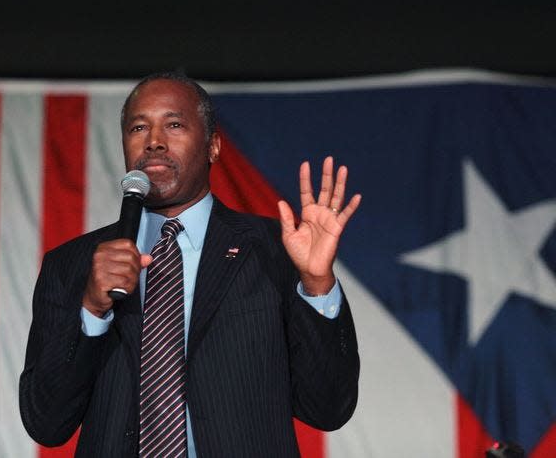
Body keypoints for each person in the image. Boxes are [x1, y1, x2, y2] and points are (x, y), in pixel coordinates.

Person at [19, 72, 361, 457]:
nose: (154, 142)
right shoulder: (72, 265)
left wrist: (317, 284)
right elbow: (46, 423)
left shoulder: (274, 251)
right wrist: (92, 311)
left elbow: (328, 408)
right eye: (138, 127)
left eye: (175, 124)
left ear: (213, 146)